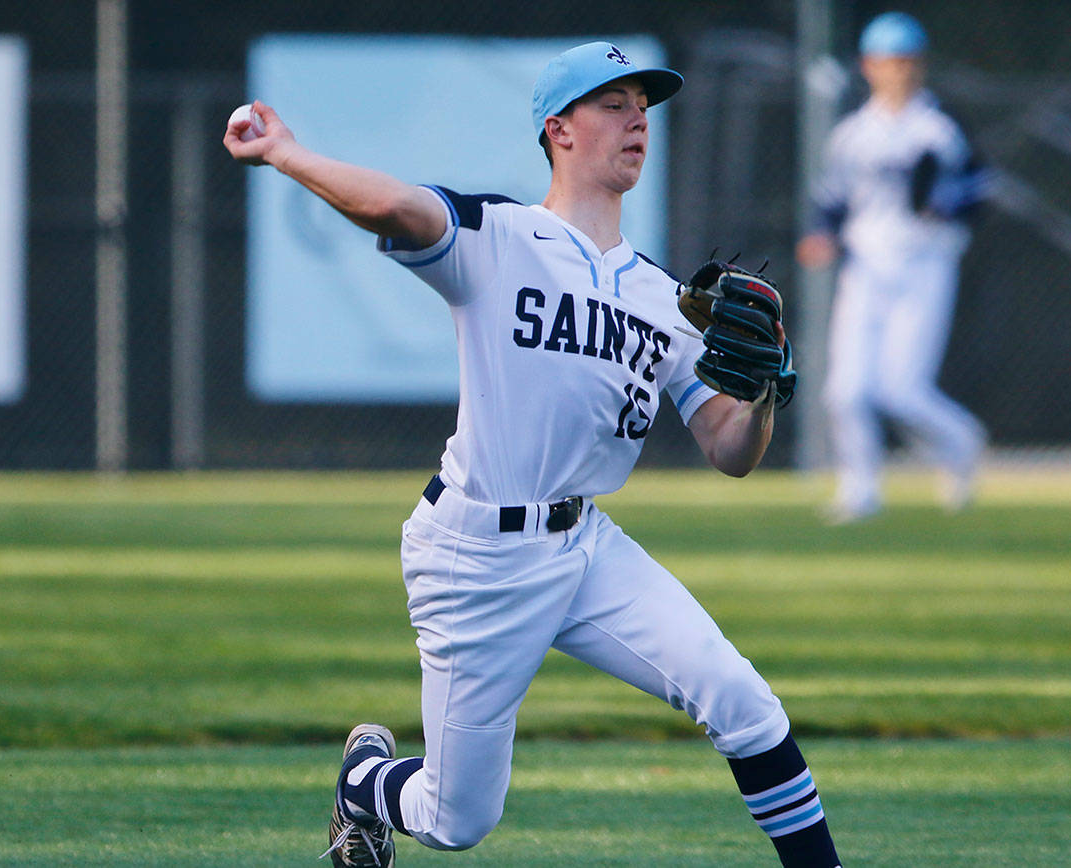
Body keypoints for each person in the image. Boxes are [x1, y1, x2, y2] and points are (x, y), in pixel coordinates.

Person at [225, 41, 842, 868]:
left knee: (744, 702)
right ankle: (365, 784)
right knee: (456, 820)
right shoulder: (500, 237)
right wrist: (288, 154)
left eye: (643, 106)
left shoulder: (666, 299)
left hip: (586, 547)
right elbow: (396, 208)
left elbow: (730, 449)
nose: (637, 120)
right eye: (613, 103)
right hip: (476, 553)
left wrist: (762, 392)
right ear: (559, 129)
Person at [797, 12, 989, 523]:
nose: (898, 71)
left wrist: (943, 204)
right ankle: (859, 490)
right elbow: (832, 200)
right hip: (866, 268)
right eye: (888, 61)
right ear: (868, 66)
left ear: (920, 65)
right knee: (845, 390)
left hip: (925, 266)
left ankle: (962, 443)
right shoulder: (853, 134)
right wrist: (821, 235)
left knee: (902, 390)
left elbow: (974, 190)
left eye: (906, 61)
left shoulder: (940, 127)